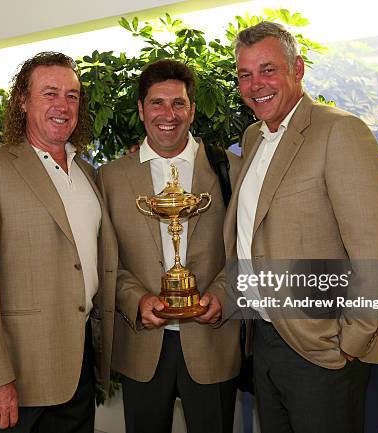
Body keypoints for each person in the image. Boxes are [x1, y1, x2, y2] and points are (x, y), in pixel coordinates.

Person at [223, 22, 378, 433]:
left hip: (324, 348)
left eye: (268, 70)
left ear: (298, 69)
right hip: (265, 339)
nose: (255, 85)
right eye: (245, 75)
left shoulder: (338, 130)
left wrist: (351, 341)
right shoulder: (253, 138)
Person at [0, 51, 117, 433]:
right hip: (19, 378)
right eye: (50, 93)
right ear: (22, 101)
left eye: (72, 96)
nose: (63, 105)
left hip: (79, 368)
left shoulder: (88, 173)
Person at [97, 59, 241, 433]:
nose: (168, 114)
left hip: (213, 340)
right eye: (157, 103)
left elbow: (249, 249)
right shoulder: (110, 178)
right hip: (143, 343)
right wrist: (134, 300)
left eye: (178, 103)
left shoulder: (230, 168)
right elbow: (106, 259)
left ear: (192, 109)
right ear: (142, 109)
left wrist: (224, 295)